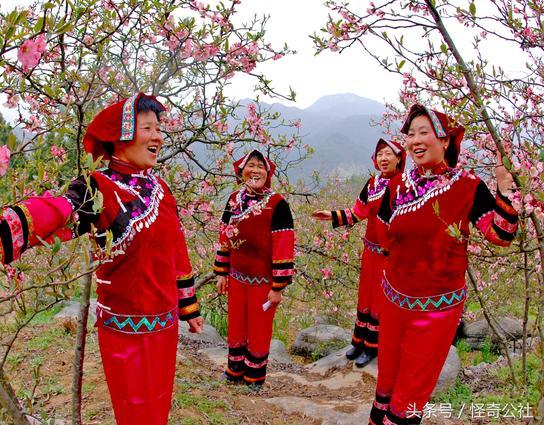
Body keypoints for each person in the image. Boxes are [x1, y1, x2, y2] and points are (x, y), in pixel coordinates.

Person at [0, 93, 204, 425]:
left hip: (164, 326)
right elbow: (53, 211)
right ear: (120, 136)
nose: (158, 137)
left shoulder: (161, 189)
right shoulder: (97, 188)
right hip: (126, 332)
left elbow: (176, 250)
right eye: (148, 128)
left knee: (159, 406)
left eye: (159, 129)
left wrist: (189, 308)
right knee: (136, 412)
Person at [369, 104, 518, 425]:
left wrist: (505, 189)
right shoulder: (396, 187)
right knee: (386, 381)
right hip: (394, 299)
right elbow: (383, 228)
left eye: (425, 132)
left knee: (410, 392)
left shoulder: (467, 185)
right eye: (411, 134)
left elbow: (500, 233)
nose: (416, 140)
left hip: (436, 310)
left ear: (446, 140)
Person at [312, 138, 406, 367]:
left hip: (390, 254)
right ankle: (358, 341)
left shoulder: (404, 185)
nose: (384, 158)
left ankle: (373, 346)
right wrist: (333, 215)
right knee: (365, 295)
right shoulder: (372, 183)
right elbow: (358, 212)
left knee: (379, 299)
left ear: (399, 158)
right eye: (380, 154)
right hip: (370, 250)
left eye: (389, 154)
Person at [213, 150, 295, 388]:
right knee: (236, 324)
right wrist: (221, 272)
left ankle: (254, 378)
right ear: (242, 171)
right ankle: (234, 371)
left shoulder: (277, 205)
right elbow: (224, 237)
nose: (256, 170)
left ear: (267, 174)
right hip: (237, 277)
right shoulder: (233, 200)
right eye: (251, 165)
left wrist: (278, 287)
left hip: (264, 282)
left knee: (259, 329)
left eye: (261, 166)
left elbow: (283, 245)